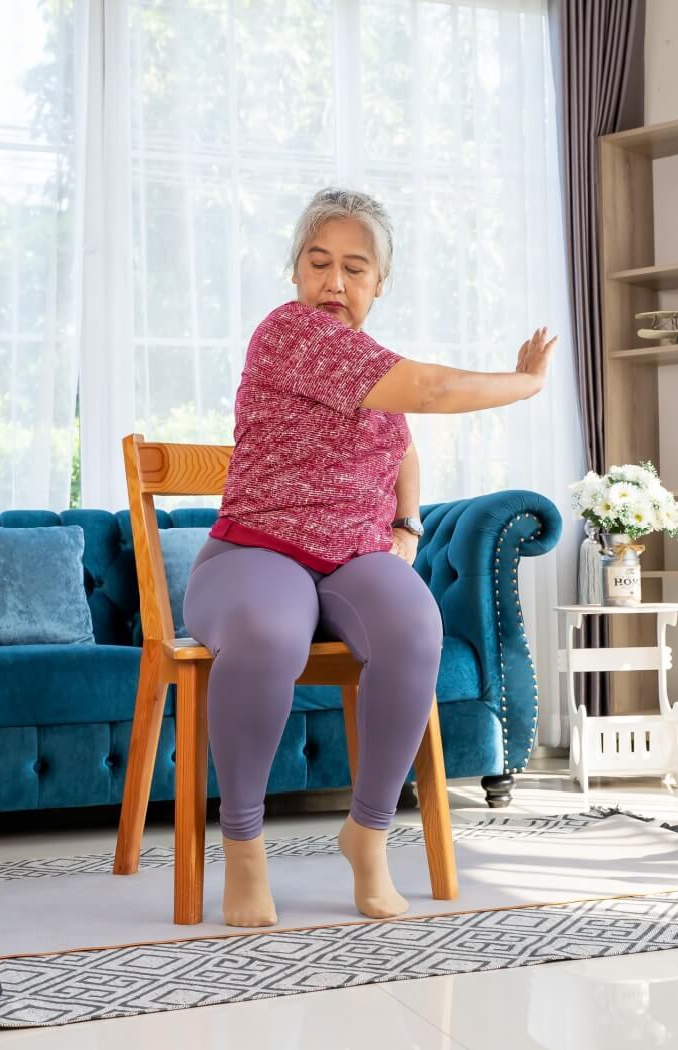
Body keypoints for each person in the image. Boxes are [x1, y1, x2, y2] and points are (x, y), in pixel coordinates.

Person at [182, 186, 558, 928]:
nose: (334, 282)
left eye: (355, 268)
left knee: (416, 628)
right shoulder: (289, 333)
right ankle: (246, 850)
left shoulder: (369, 363)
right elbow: (435, 388)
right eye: (318, 263)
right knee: (267, 633)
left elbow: (401, 444)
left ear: (379, 284)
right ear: (294, 273)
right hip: (255, 549)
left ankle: (369, 832)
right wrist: (527, 384)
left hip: (351, 556)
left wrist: (409, 526)